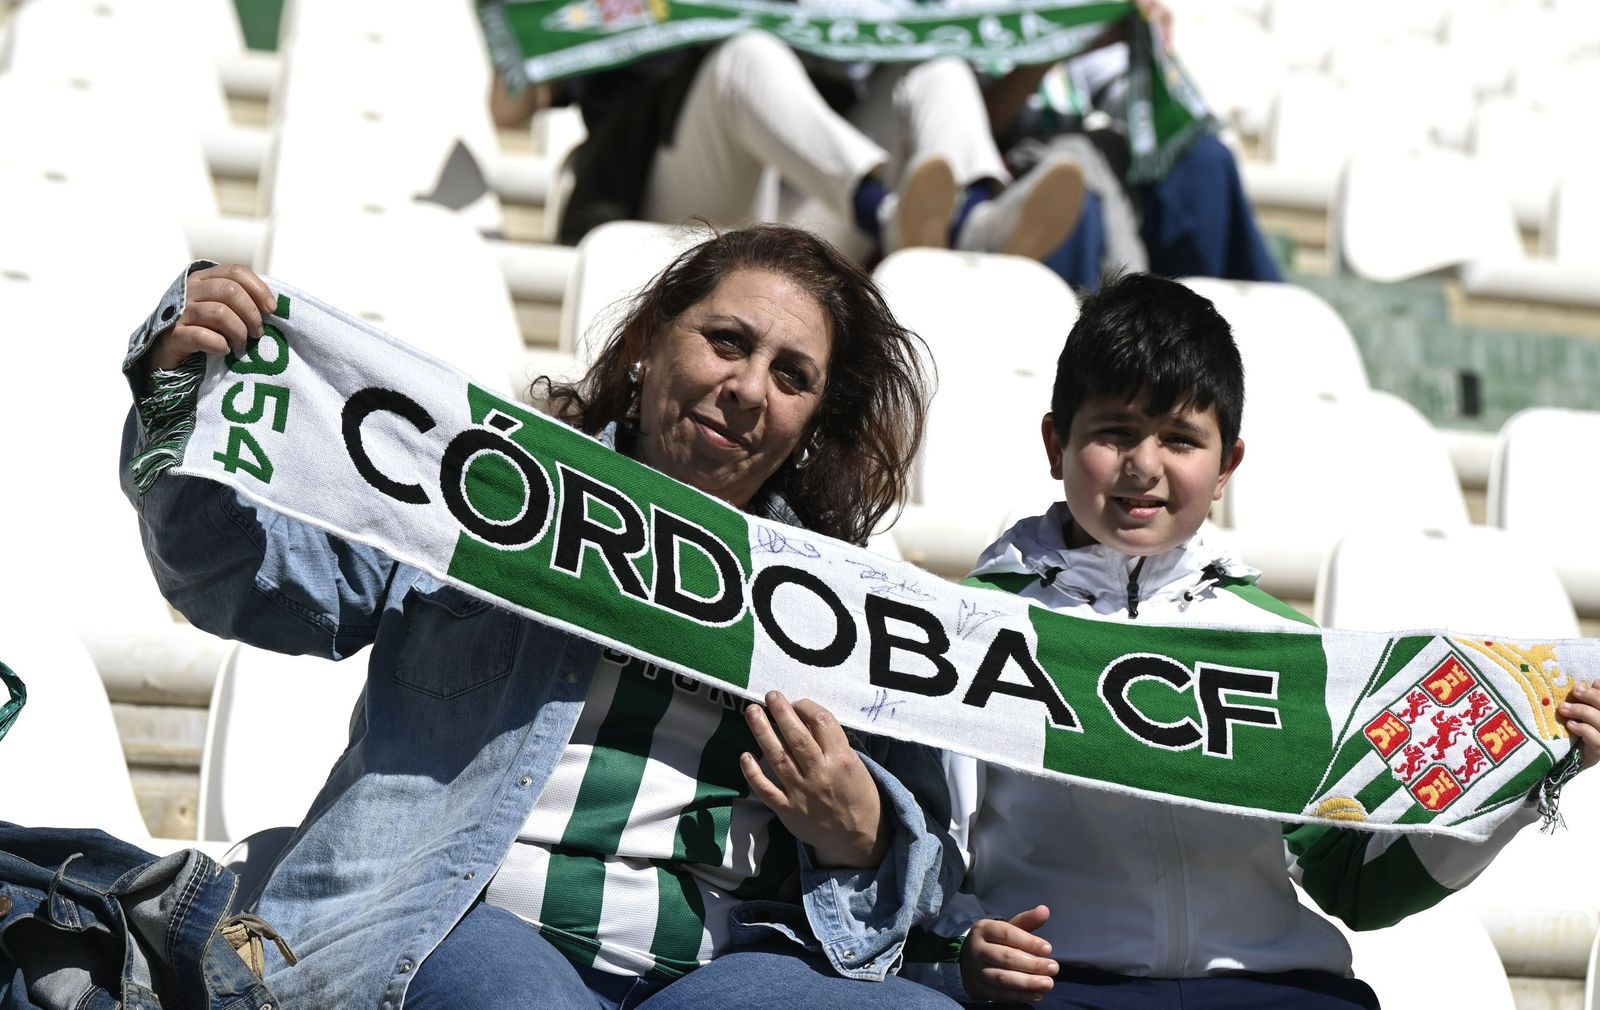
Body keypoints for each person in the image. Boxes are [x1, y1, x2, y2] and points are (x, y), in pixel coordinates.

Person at [118, 226, 964, 1009]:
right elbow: (242, 582)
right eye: (728, 342)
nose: (748, 389)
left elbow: (929, 882)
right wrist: (172, 407)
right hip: (458, 921)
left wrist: (864, 835)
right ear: (646, 342)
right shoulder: (488, 488)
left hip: (727, 972)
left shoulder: (845, 608)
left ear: (814, 421)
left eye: (793, 376)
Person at [900, 273, 1600, 1009]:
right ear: (1056, 442)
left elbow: (1354, 882)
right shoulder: (970, 627)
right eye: (1114, 432)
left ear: (1228, 464)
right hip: (1060, 986)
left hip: (1280, 991)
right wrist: (957, 946)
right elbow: (926, 841)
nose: (1145, 465)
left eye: (1180, 439)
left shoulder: (1279, 641)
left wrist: (1523, 777)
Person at [547, 33, 1085, 261]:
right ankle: (889, 215)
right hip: (675, 212)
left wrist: (1064, 38)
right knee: (747, 54)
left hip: (813, 204)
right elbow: (513, 105)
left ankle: (973, 225)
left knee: (934, 66)